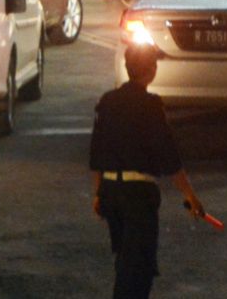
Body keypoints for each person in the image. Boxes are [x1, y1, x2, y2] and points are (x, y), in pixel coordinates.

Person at [88, 44, 208, 298]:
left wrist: (98, 193)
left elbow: (97, 151)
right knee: (139, 268)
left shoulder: (107, 102)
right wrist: (190, 195)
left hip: (111, 191)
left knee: (125, 260)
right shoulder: (150, 105)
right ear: (151, 71)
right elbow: (169, 155)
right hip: (138, 194)